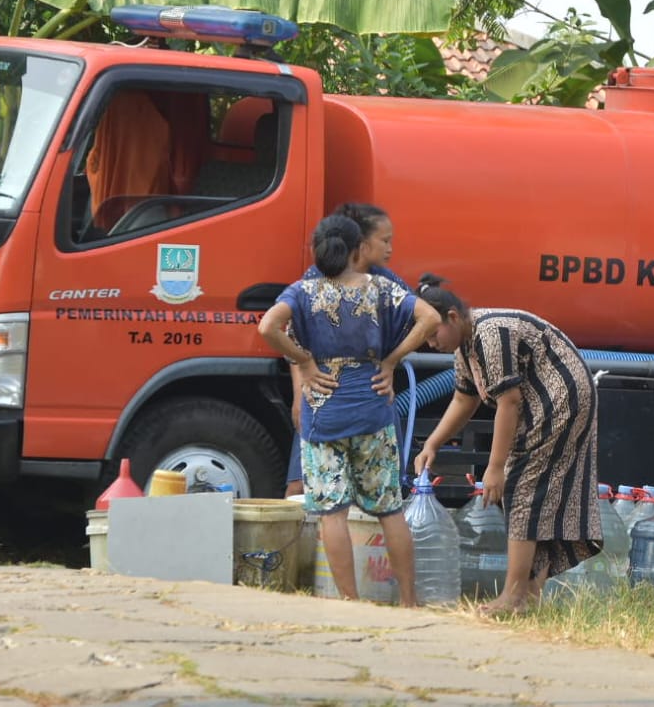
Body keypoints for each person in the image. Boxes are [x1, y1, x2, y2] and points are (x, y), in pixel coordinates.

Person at [257, 214, 441, 607]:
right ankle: (409, 601)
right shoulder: (380, 288)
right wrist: (391, 361)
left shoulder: (303, 291)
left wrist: (304, 362)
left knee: (332, 513)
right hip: (373, 407)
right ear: (358, 249)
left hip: (323, 413)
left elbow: (267, 327)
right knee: (390, 509)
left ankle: (350, 602)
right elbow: (431, 318)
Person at [413, 275, 601, 614]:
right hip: (539, 406)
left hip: (560, 401)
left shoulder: (489, 333)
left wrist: (496, 467)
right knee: (529, 498)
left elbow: (509, 401)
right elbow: (463, 399)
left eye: (432, 334)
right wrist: (433, 445)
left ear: (453, 317)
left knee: (521, 488)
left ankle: (513, 597)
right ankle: (528, 596)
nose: (430, 344)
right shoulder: (465, 345)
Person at [286, 201, 408, 499]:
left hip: (372, 398)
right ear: (362, 244)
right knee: (301, 487)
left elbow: (422, 322)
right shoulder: (317, 276)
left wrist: (391, 363)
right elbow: (292, 335)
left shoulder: (387, 282)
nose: (391, 248)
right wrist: (300, 388)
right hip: (322, 398)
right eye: (385, 240)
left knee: (379, 495)